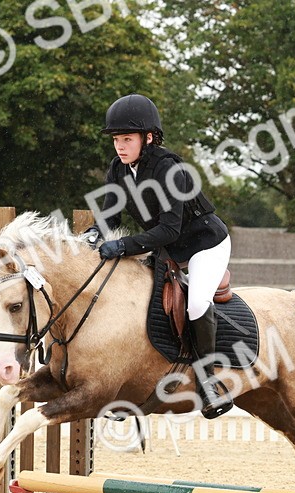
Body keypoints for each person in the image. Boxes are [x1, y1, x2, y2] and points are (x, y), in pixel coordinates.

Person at [85, 93, 233, 419]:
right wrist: (93, 235)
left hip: (205, 245)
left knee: (195, 303)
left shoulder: (169, 169)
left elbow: (169, 230)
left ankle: (209, 383)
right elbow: (109, 216)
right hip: (169, 249)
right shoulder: (119, 170)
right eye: (116, 140)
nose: (120, 146)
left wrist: (122, 246)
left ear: (148, 138)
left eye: (127, 139)